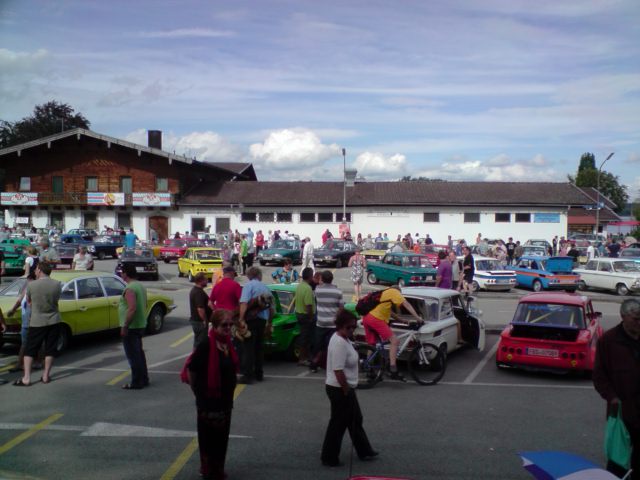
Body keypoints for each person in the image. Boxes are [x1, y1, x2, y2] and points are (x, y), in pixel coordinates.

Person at [185, 309, 239, 480]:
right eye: (224, 325)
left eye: (230, 324)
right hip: (208, 402)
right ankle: (208, 470)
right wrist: (197, 393)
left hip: (225, 401)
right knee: (209, 439)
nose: (228, 328)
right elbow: (191, 370)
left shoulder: (228, 343)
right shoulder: (206, 345)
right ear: (214, 326)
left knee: (222, 438)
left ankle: (218, 469)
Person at [321, 310, 377, 467]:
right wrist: (346, 390)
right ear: (340, 326)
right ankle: (329, 457)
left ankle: (364, 450)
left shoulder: (344, 338)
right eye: (348, 327)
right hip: (339, 388)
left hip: (344, 387)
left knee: (355, 419)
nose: (352, 329)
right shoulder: (339, 343)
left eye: (354, 326)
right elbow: (338, 370)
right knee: (338, 423)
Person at [593, 299, 640, 478]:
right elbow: (599, 377)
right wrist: (612, 397)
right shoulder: (608, 341)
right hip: (621, 413)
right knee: (617, 461)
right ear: (623, 316)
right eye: (636, 319)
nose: (639, 323)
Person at [13, 262, 61, 386]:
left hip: (37, 321)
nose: (35, 271)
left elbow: (29, 302)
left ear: (39, 270)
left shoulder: (32, 285)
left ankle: (26, 378)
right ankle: (45, 376)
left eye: (36, 270)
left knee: (30, 349)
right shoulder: (57, 284)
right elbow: (56, 300)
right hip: (54, 320)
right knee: (50, 349)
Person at [362, 286, 422, 381]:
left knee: (372, 345)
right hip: (376, 319)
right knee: (395, 341)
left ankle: (369, 370)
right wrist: (418, 318)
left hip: (367, 318)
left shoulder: (384, 293)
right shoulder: (394, 291)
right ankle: (393, 369)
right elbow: (406, 304)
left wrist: (403, 321)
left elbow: (390, 313)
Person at [237, 267, 274, 384]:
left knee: (248, 348)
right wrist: (269, 323)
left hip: (251, 320)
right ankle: (259, 373)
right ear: (258, 275)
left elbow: (244, 303)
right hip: (262, 320)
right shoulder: (266, 287)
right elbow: (272, 308)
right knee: (259, 348)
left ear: (249, 276)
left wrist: (241, 319)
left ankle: (247, 375)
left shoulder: (248, 286)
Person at [119, 263, 149, 390]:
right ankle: (144, 379)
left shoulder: (130, 289)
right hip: (140, 324)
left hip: (132, 326)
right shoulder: (140, 286)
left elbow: (132, 308)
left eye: (122, 272)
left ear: (126, 273)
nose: (121, 274)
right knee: (139, 354)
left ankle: (137, 381)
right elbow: (144, 304)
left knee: (133, 355)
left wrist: (125, 326)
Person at [310, 270, 343, 373]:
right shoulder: (338, 292)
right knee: (332, 345)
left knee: (318, 345)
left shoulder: (318, 290)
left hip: (321, 322)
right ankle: (332, 365)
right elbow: (341, 308)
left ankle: (314, 364)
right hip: (333, 323)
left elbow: (316, 284)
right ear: (332, 279)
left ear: (322, 279)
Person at [294, 267, 316, 366]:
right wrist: (311, 317)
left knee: (304, 336)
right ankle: (303, 358)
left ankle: (304, 357)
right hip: (305, 315)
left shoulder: (299, 286)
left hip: (299, 313)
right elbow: (308, 306)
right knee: (306, 338)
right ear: (310, 276)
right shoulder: (308, 288)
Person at [190, 272, 212, 348]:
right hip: (199, 322)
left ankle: (195, 354)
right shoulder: (198, 293)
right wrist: (204, 320)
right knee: (201, 344)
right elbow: (200, 309)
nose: (207, 281)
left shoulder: (196, 290)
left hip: (197, 321)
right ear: (201, 281)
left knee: (197, 342)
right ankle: (197, 355)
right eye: (206, 279)